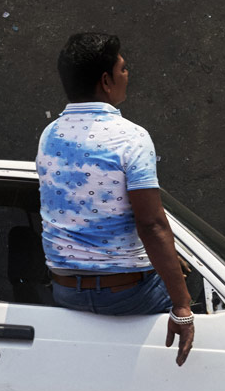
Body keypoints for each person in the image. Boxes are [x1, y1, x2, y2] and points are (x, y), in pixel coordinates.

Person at [36, 33, 196, 366]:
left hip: (65, 291)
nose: (128, 75)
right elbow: (150, 223)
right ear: (106, 81)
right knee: (206, 308)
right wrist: (181, 306)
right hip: (127, 295)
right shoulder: (131, 137)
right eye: (122, 68)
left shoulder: (50, 135)